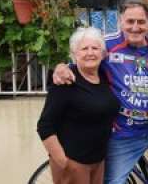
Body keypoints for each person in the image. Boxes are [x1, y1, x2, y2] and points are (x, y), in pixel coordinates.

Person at [53, 0, 148, 184]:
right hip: (124, 133)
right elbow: (80, 63)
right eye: (130, 21)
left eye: (141, 22)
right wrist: (61, 68)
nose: (135, 27)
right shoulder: (106, 46)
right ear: (120, 22)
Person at [37, 27, 120, 184]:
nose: (90, 53)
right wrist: (64, 162)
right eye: (84, 49)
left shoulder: (103, 77)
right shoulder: (65, 81)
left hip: (98, 161)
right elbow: (45, 126)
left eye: (95, 48)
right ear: (74, 54)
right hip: (74, 163)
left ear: (102, 54)